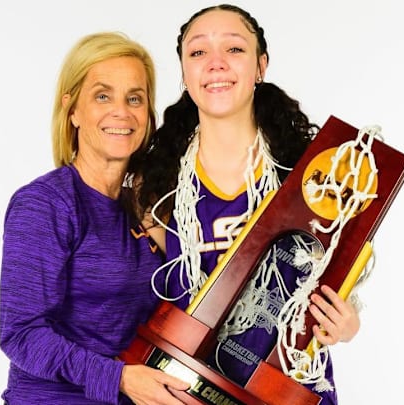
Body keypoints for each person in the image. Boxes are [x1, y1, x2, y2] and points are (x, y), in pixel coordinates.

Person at [134, 5, 360, 404]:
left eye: (234, 49)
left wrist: (346, 322)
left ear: (261, 66)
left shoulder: (312, 175)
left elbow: (338, 279)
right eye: (198, 52)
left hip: (286, 390)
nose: (216, 63)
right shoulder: (156, 187)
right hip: (192, 391)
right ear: (185, 72)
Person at [0, 32, 189, 405]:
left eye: (134, 98)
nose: (121, 111)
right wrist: (119, 379)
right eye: (103, 96)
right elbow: (21, 334)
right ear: (72, 110)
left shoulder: (150, 208)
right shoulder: (45, 204)